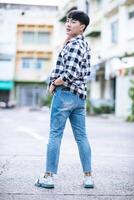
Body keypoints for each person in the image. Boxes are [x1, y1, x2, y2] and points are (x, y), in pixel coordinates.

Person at [35, 10, 94, 189]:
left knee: (55, 135)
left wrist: (54, 83)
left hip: (65, 94)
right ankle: (88, 177)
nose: (68, 24)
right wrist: (64, 43)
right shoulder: (82, 44)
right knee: (82, 137)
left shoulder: (75, 45)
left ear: (82, 26)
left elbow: (69, 74)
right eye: (67, 21)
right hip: (79, 97)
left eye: (73, 21)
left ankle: (48, 177)